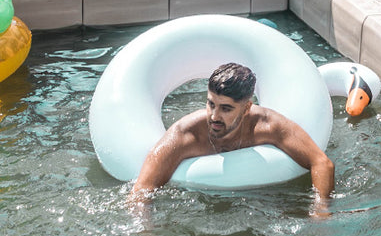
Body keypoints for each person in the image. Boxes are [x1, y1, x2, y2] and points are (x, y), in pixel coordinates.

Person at [130, 62, 334, 213]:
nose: (214, 116)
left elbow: (322, 163)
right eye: (211, 104)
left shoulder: (268, 125)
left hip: (257, 210)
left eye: (226, 108)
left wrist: (320, 209)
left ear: (247, 108)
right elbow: (141, 191)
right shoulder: (185, 135)